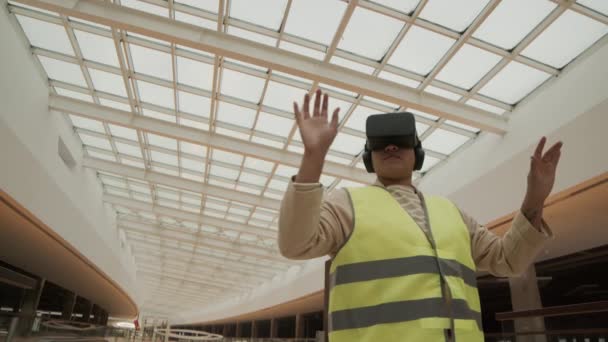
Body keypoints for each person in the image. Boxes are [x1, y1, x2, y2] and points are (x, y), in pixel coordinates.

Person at [278, 89, 562, 342]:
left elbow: (508, 260)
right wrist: (313, 157)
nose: (391, 147)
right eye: (381, 143)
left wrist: (535, 198)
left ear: (418, 154)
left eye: (400, 141)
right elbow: (295, 243)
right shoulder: (346, 204)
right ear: (368, 157)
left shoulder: (451, 212)